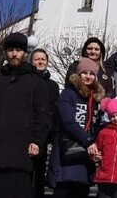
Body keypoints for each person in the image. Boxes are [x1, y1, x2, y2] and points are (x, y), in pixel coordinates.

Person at [0, 33, 50, 198]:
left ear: (25, 53)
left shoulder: (35, 82)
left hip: (18, 156)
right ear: (6, 52)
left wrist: (36, 140)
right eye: (11, 50)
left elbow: (42, 115)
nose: (14, 54)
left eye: (18, 50)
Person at [47, 57, 105, 198]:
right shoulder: (68, 93)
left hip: (85, 156)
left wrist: (97, 145)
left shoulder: (96, 98)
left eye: (91, 74)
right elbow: (68, 122)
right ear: (78, 74)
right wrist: (88, 141)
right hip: (67, 152)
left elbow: (96, 125)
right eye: (85, 73)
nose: (88, 76)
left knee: (81, 190)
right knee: (63, 190)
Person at [30, 48, 61, 198]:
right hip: (25, 131)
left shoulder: (53, 86)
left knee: (40, 170)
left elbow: (54, 109)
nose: (40, 61)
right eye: (37, 59)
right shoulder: (27, 81)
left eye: (43, 59)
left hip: (43, 133)